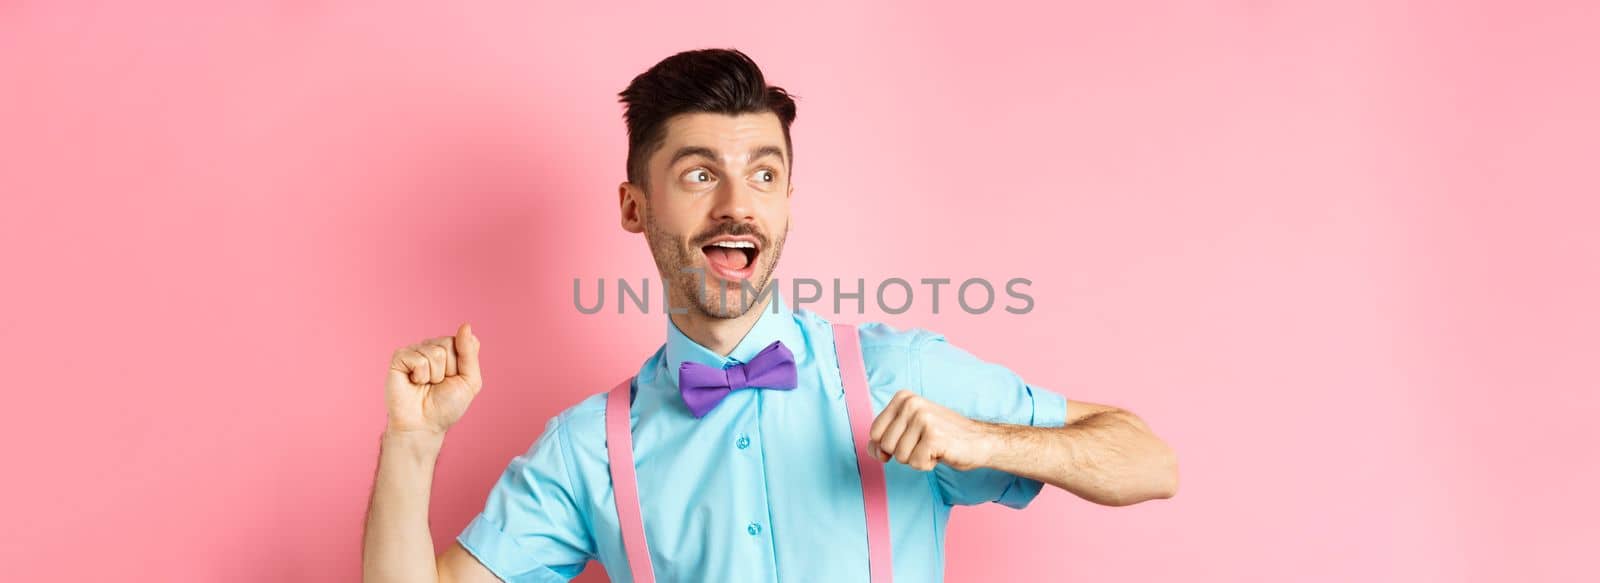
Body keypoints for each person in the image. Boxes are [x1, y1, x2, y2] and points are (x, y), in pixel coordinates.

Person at [362, 48, 1178, 583]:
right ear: (633, 205)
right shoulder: (588, 450)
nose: (735, 206)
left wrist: (983, 439)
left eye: (762, 174)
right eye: (697, 175)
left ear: (788, 198)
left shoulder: (903, 373)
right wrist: (412, 444)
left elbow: (1149, 460)